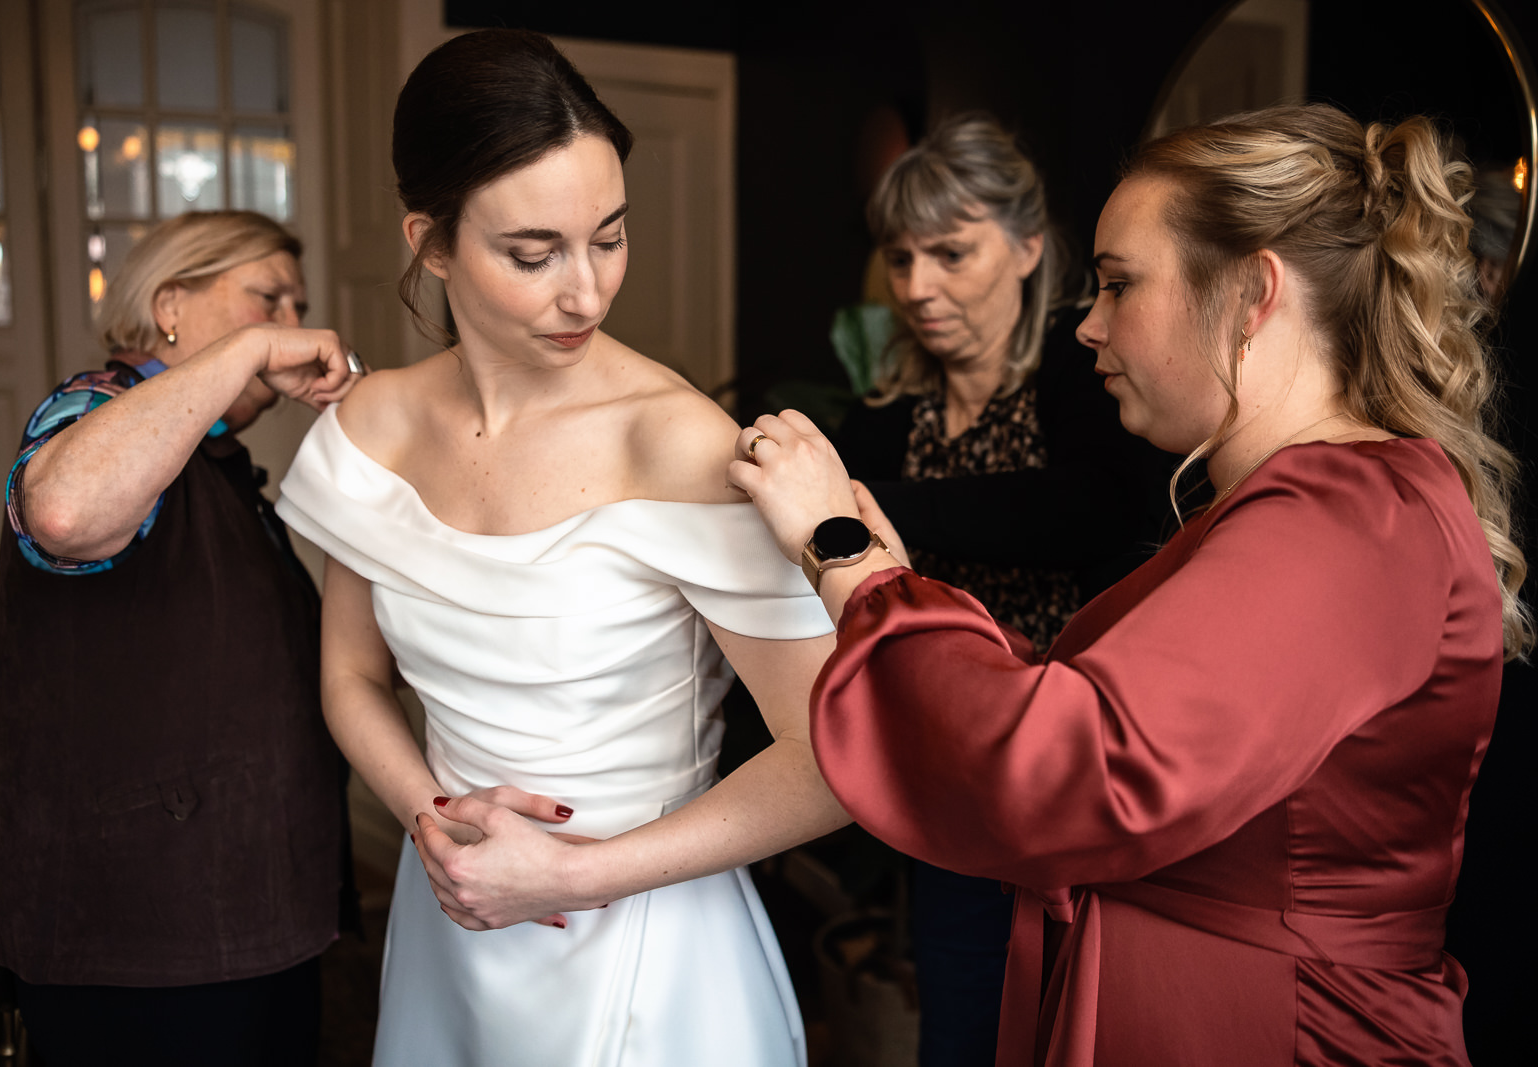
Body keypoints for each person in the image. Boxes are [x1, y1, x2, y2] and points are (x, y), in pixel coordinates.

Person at [732, 103, 1527, 1066]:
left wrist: (847, 554)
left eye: (1118, 286)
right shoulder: (1317, 502)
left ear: (1251, 291)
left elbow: (1080, 762)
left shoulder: (1351, 513)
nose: (1091, 327)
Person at [272, 29, 847, 1066]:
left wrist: (573, 875)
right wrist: (431, 816)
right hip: (453, 919)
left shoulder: (676, 443)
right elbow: (351, 674)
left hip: (651, 947)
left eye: (610, 236)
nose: (586, 292)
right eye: (533, 255)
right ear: (431, 242)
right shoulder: (372, 431)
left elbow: (831, 757)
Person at [0, 211, 363, 1066]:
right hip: (138, 940)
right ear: (170, 303)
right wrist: (246, 352)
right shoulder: (93, 406)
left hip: (251, 916)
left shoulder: (224, 471)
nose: (292, 330)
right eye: (268, 300)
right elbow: (66, 513)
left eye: (297, 307)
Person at [830, 112, 1162, 1066]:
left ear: (1026, 247)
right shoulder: (891, 418)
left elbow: (1090, 513)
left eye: (951, 252)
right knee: (965, 1019)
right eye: (901, 259)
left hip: (1078, 766)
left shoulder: (1082, 372)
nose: (920, 288)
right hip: (952, 776)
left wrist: (873, 506)